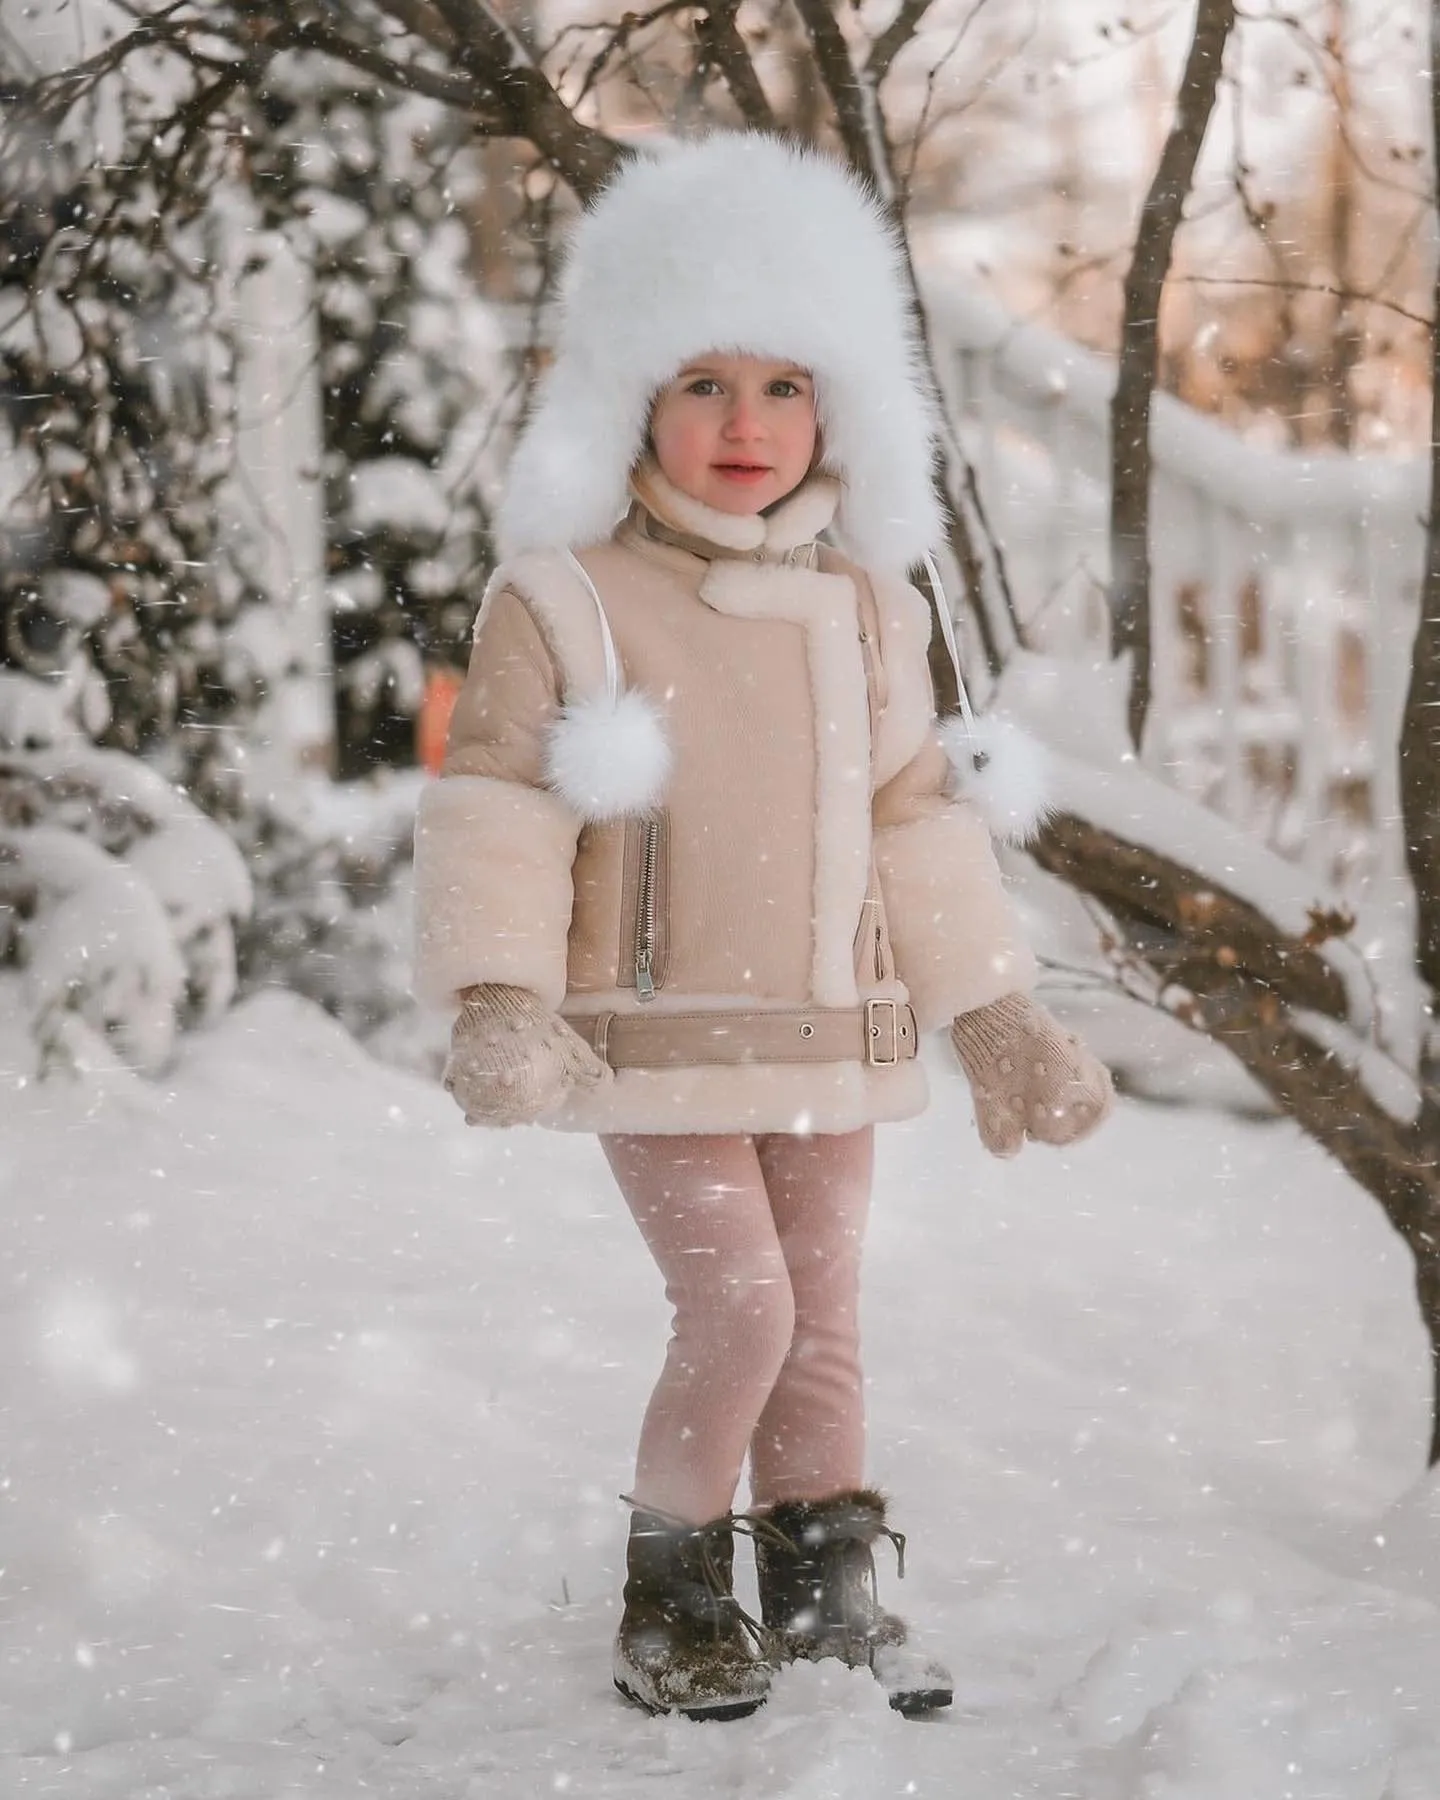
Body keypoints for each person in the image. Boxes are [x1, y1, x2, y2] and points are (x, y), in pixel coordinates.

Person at [413, 132, 1114, 1723]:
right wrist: (504, 992)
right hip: (647, 1031)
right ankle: (671, 1592)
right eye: (704, 383)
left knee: (825, 1321)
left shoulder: (875, 606)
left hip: (830, 1027)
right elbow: (505, 802)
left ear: (840, 407)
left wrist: (993, 1012)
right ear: (635, 402)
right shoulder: (568, 598)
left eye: (785, 385)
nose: (746, 426)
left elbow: (917, 818)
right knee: (740, 1306)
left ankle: (821, 1590)